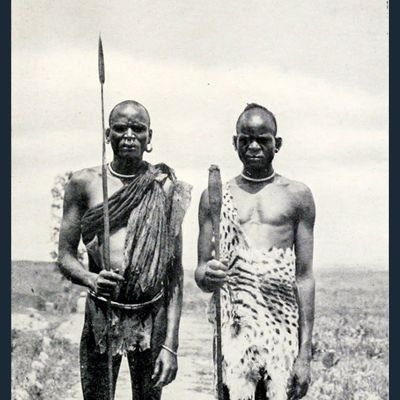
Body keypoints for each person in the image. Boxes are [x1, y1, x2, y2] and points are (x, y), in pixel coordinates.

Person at [58, 100, 191, 400]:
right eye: (120, 128)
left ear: (149, 137)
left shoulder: (164, 187)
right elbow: (65, 256)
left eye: (138, 129)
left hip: (150, 315)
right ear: (108, 134)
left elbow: (175, 274)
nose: (129, 134)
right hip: (102, 313)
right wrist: (90, 279)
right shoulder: (84, 183)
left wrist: (171, 344)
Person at [195, 103, 315, 400]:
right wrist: (209, 275)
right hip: (235, 321)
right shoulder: (215, 196)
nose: (253, 146)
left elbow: (305, 277)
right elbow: (200, 273)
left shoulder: (297, 195)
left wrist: (305, 352)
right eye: (245, 138)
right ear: (234, 142)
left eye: (263, 139)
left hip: (282, 324)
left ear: (278, 144)